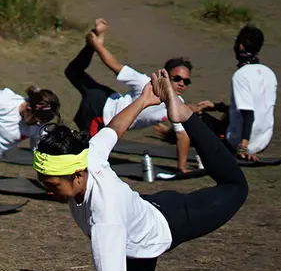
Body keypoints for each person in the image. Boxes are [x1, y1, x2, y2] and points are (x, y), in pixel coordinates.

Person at [34, 70, 246, 271]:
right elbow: (114, 128)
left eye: (53, 185)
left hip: (170, 221)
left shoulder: (104, 216)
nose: (48, 192)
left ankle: (186, 116)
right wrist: (145, 100)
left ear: (78, 175)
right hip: (138, 226)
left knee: (236, 188)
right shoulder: (87, 156)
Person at [64, 18, 211, 173]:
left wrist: (182, 168)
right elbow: (114, 65)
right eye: (177, 79)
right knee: (89, 155)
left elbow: (182, 135)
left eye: (186, 82)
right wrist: (97, 45)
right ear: (165, 75)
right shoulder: (145, 83)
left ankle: (91, 42)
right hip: (100, 110)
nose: (182, 84)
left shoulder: (177, 104)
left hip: (108, 99)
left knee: (73, 72)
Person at [225, 25, 277, 161]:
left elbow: (248, 113)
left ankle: (170, 135)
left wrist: (243, 146)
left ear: (240, 47)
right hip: (264, 140)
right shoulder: (269, 73)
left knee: (200, 119)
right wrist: (215, 106)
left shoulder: (241, 75)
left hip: (240, 141)